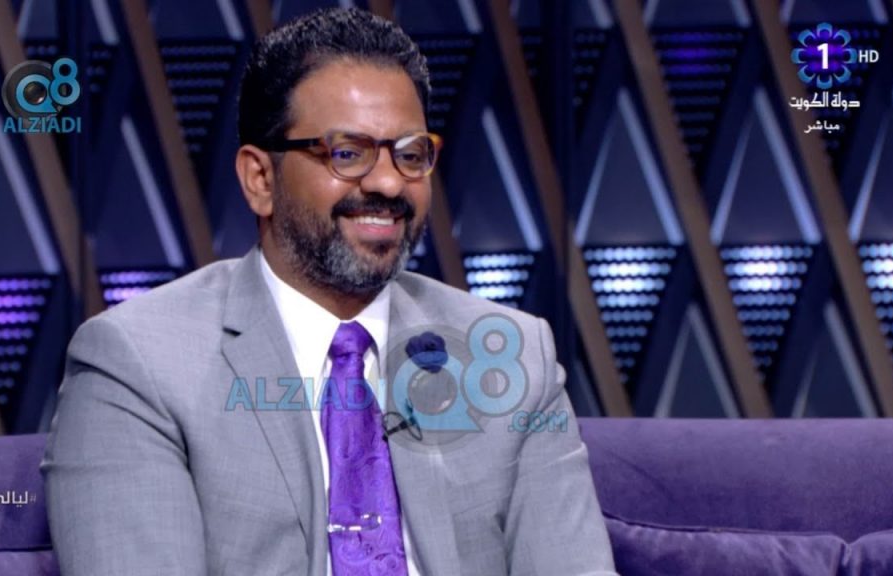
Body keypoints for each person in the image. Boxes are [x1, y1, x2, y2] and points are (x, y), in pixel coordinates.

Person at [42, 7, 616, 575]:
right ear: (260, 179)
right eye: (347, 153)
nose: (388, 181)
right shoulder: (138, 364)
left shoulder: (513, 355)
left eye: (410, 154)